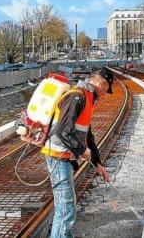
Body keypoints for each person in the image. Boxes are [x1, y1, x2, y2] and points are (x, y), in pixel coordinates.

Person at [42, 67, 114, 238]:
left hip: (64, 157)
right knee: (66, 208)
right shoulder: (77, 96)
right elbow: (63, 130)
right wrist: (82, 150)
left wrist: (98, 163)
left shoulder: (87, 98)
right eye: (105, 90)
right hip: (57, 157)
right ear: (101, 84)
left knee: (67, 206)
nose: (104, 94)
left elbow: (87, 134)